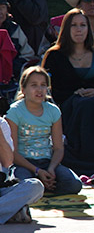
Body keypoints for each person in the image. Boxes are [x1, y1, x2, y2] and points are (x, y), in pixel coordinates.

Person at [41, 9, 94, 173]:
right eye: (74, 25)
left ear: (88, 29)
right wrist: (74, 94)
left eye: (83, 25)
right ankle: (83, 160)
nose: (79, 29)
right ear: (66, 29)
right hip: (67, 107)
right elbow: (47, 90)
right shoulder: (54, 56)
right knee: (83, 104)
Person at [7, 66, 82, 195]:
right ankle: (38, 186)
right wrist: (37, 171)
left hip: (47, 162)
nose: (39, 89)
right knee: (21, 184)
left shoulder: (53, 111)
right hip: (24, 164)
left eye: (43, 85)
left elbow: (58, 148)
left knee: (74, 184)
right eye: (34, 85)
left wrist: (52, 168)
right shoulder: (14, 111)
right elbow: (13, 153)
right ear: (23, 89)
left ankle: (44, 186)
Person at [0, 112, 45, 224]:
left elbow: (7, 162)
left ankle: (8, 210)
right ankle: (12, 212)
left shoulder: (2, 124)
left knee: (35, 186)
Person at [0, 0, 36, 78]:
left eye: (2, 8)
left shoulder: (14, 29)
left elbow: (28, 54)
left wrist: (14, 66)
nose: (0, 12)